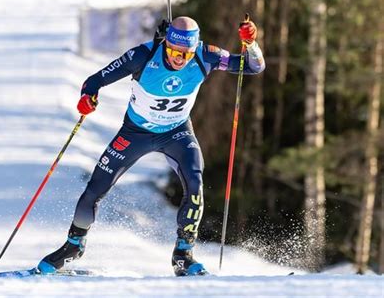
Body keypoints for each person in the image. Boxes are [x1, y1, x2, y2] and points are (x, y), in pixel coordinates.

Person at [37, 16, 265, 276]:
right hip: (136, 133)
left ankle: (183, 255)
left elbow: (253, 67)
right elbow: (94, 81)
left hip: (177, 132)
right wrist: (87, 99)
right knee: (95, 187)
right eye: (174, 51)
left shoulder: (206, 55)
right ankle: (73, 246)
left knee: (195, 183)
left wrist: (250, 44)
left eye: (186, 54)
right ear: (166, 44)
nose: (180, 59)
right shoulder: (143, 55)